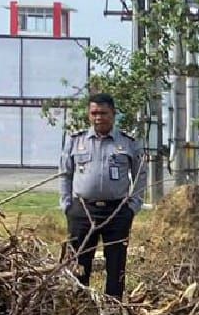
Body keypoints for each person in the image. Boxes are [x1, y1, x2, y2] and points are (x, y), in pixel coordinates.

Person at [59, 93, 147, 299]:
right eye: (94, 113)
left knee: (116, 264)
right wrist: (66, 204)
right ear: (89, 115)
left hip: (117, 211)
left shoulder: (128, 143)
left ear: (113, 114)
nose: (98, 117)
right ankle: (79, 307)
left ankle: (113, 309)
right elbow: (65, 173)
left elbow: (141, 174)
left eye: (103, 113)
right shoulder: (75, 141)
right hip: (82, 210)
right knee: (79, 262)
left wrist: (133, 206)